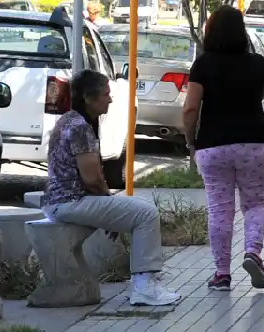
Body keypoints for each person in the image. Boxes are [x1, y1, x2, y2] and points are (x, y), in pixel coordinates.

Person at [41, 69, 181, 307]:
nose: (111, 98)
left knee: (139, 210)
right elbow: (92, 179)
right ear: (88, 97)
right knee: (146, 214)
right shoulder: (79, 127)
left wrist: (111, 209)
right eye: (105, 94)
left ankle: (144, 283)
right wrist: (110, 206)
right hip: (69, 202)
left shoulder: (70, 120)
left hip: (61, 202)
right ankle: (144, 286)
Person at [182, 6, 264, 291]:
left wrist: (190, 141)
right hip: (253, 143)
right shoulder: (257, 63)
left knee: (220, 209)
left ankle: (222, 273)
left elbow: (190, 108)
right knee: (255, 203)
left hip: (213, 145)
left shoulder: (203, 64)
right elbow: (262, 95)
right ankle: (253, 253)